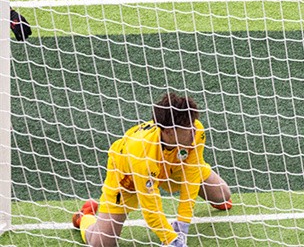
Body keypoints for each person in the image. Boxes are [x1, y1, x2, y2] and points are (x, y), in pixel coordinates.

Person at [72, 93, 232, 247]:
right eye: (188, 128)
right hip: (128, 179)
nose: (194, 130)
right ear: (169, 131)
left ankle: (214, 199)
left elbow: (192, 175)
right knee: (101, 243)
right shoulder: (141, 154)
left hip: (173, 165)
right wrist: (170, 239)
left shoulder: (196, 132)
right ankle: (84, 217)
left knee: (223, 195)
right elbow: (150, 207)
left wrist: (182, 224)